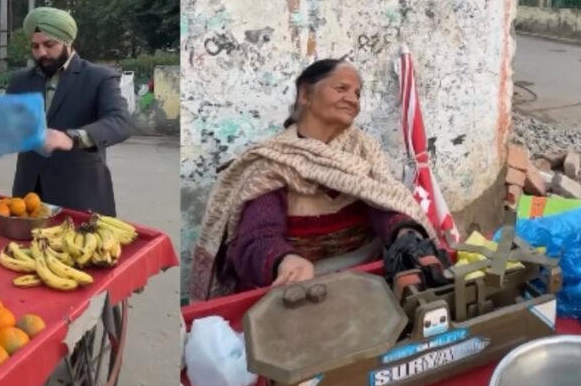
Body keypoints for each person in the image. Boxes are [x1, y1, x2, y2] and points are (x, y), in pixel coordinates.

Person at [189, 58, 440, 302]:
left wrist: (404, 233)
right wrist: (283, 260)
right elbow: (258, 235)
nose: (352, 98)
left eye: (358, 93)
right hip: (295, 295)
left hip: (364, 284)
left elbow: (380, 203)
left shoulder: (363, 152)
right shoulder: (272, 162)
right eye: (341, 88)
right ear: (305, 96)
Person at [0, 7, 131, 215]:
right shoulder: (21, 80)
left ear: (68, 41)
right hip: (28, 195)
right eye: (35, 46)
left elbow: (120, 121)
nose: (41, 53)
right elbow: (7, 126)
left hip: (79, 196)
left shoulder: (99, 77)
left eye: (49, 44)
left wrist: (72, 138)